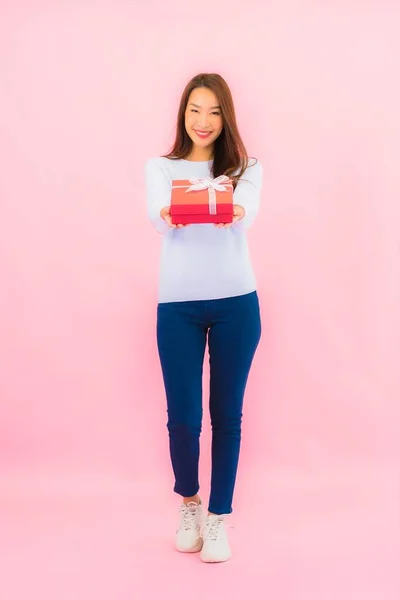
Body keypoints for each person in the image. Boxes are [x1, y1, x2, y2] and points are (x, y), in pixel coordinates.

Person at [144, 73, 262, 563]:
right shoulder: (160, 167)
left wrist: (224, 204)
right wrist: (180, 210)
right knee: (183, 420)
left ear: (226, 115)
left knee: (227, 417)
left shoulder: (247, 168)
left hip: (237, 302)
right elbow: (159, 214)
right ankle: (189, 504)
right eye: (196, 109)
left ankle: (218, 518)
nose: (204, 121)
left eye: (214, 111)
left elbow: (244, 211)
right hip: (178, 306)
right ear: (183, 113)